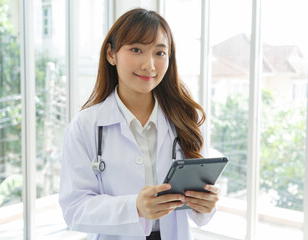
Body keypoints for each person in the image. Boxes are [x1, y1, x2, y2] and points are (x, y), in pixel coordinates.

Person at [59, 8, 220, 240]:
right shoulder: (86, 126)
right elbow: (74, 209)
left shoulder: (187, 118)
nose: (149, 64)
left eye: (160, 53)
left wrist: (206, 204)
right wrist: (134, 207)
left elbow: (201, 210)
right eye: (136, 50)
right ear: (111, 54)